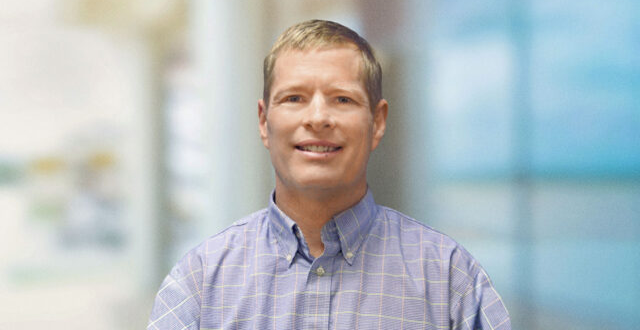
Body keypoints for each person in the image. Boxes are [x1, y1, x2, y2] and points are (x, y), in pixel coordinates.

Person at [147, 20, 511, 329]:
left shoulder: (451, 280)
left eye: (342, 99)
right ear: (263, 121)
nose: (318, 118)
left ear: (378, 122)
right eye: (294, 98)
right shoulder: (199, 283)